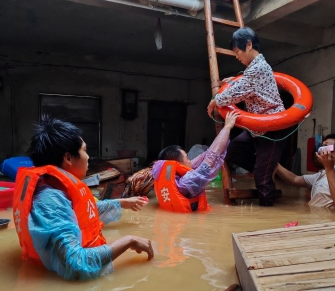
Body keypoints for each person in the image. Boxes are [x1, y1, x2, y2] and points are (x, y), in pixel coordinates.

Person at [12, 118, 154, 281]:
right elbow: (75, 264)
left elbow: (86, 210)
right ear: (68, 158)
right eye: (85, 150)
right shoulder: (50, 201)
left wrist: (122, 203)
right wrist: (129, 240)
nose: (88, 157)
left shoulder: (52, 188)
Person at [207, 27, 288, 206]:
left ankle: (267, 217)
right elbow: (244, 83)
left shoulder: (258, 68)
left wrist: (215, 99)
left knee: (261, 177)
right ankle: (267, 168)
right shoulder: (253, 69)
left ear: (249, 45)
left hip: (271, 129)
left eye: (237, 52)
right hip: (256, 128)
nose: (237, 57)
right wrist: (234, 81)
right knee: (234, 149)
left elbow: (234, 94)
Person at [152, 111, 239, 212]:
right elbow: (212, 156)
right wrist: (227, 127)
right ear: (179, 164)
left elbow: (207, 155)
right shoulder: (187, 182)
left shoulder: (168, 175)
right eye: (187, 158)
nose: (191, 161)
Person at [275, 134, 335, 209]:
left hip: (326, 221)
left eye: (326, 146)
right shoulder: (320, 175)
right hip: (315, 217)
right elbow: (294, 179)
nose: (320, 149)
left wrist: (329, 168)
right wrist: (274, 164)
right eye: (321, 146)